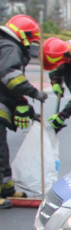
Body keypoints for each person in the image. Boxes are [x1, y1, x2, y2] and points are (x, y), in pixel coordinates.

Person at [0, 15, 47, 209]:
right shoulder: (11, 48)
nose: (31, 45)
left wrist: (28, 109)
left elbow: (12, 91)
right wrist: (34, 92)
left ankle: (5, 189)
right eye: (31, 40)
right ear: (24, 35)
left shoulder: (6, 45)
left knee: (1, 149)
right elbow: (11, 78)